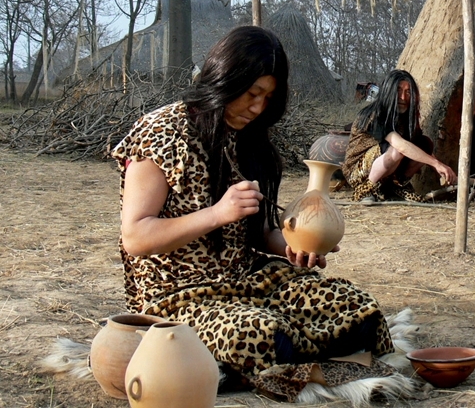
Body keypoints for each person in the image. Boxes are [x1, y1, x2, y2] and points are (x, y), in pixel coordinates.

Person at [110, 26, 396, 402]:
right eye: (252, 93)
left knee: (357, 309)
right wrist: (216, 214)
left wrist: (290, 246)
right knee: (258, 336)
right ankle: (294, 361)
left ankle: (285, 363)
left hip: (248, 279)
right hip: (177, 295)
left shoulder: (248, 137)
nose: (258, 107)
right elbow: (136, 237)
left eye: (268, 97)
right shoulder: (161, 132)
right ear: (226, 78)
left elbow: (258, 230)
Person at [342, 69, 456, 202]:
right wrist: (436, 164)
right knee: (396, 149)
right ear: (388, 91)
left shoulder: (406, 117)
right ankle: (367, 190)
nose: (403, 97)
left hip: (389, 170)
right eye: (398, 91)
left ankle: (396, 185)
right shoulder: (375, 115)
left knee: (424, 144)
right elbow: (400, 146)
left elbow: (417, 149)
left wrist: (444, 170)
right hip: (358, 172)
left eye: (408, 92)